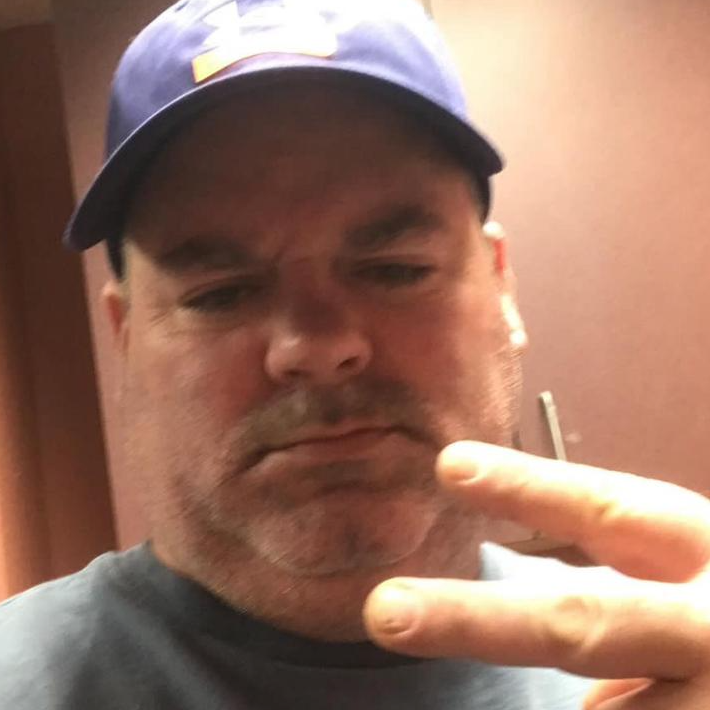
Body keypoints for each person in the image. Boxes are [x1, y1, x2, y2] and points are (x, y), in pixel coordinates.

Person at [2, 0, 709, 708]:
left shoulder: (667, 661)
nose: (317, 347)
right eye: (221, 294)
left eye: (396, 269)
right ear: (126, 338)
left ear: (502, 290)